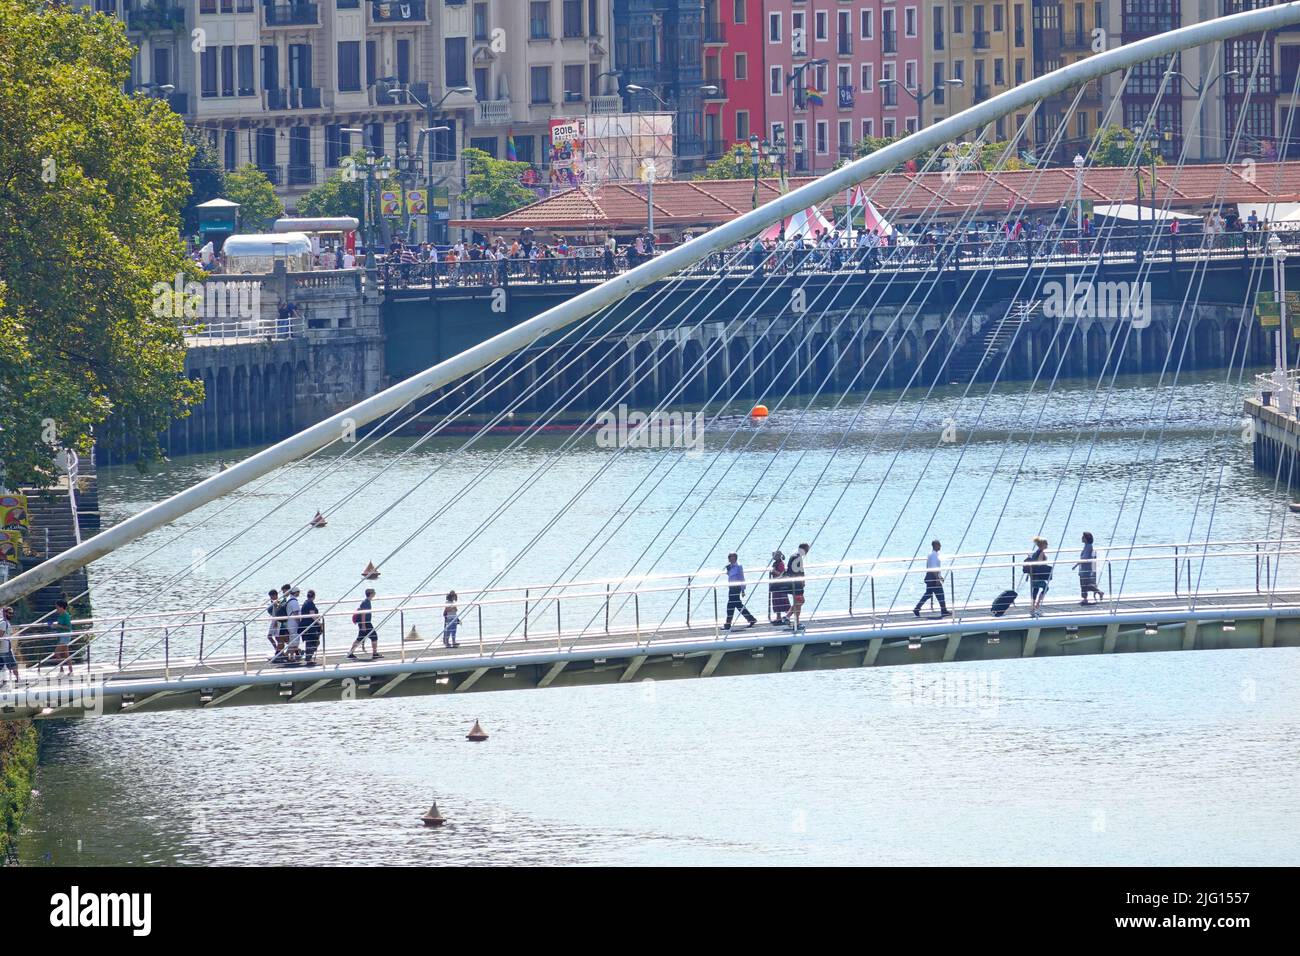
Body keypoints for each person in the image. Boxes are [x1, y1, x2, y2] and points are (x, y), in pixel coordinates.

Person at [913, 540, 950, 617]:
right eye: (939, 545)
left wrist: (940, 576)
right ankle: (943, 610)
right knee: (940, 594)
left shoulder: (931, 554)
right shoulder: (934, 555)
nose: (940, 546)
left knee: (928, 594)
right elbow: (933, 568)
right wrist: (937, 579)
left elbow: (932, 567)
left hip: (930, 576)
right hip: (933, 577)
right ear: (936, 545)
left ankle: (917, 608)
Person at [722, 553, 758, 630]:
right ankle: (751, 619)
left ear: (735, 558)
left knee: (730, 605)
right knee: (738, 605)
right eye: (729, 557)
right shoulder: (730, 567)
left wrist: (743, 589)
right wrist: (728, 570)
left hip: (737, 587)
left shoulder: (738, 566)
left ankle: (728, 624)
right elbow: (730, 576)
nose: (730, 559)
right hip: (731, 587)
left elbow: (742, 578)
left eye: (732, 557)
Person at [348, 588, 382, 660]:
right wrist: (363, 625)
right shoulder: (366, 602)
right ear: (371, 594)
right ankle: (374, 654)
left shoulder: (367, 601)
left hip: (366, 623)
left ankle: (350, 653)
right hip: (365, 623)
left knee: (361, 638)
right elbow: (363, 614)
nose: (375, 593)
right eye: (374, 592)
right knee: (373, 637)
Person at [1073, 532, 1105, 605]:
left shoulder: (1088, 547)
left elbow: (1085, 557)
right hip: (1083, 568)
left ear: (1086, 539)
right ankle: (1085, 599)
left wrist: (1076, 564)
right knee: (1083, 584)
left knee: (1086, 585)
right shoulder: (1086, 546)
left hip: (1086, 569)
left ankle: (1099, 592)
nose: (1082, 538)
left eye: (1083, 537)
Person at [1024, 536, 1052, 617]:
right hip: (1038, 575)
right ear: (1043, 545)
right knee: (1046, 588)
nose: (1047, 545)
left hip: (1033, 575)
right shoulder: (1041, 552)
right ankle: (1038, 605)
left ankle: (1032, 608)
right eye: (1046, 544)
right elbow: (1039, 563)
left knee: (1035, 591)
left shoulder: (1036, 552)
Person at [787, 543, 810, 631]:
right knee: (800, 601)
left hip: (792, 582)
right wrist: (802, 581)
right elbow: (800, 571)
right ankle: (791, 618)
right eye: (807, 550)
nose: (807, 552)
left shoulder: (793, 555)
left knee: (798, 602)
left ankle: (792, 619)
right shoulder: (798, 557)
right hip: (797, 584)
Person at [300, 589, 323, 664]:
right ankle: (308, 657)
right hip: (310, 626)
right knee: (314, 641)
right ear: (314, 596)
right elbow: (312, 615)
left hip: (306, 625)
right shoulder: (310, 604)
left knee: (310, 642)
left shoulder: (306, 603)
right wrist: (319, 623)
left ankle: (308, 657)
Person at [769, 550, 791, 624]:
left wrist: (774, 572)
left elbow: (782, 574)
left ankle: (788, 616)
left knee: (782, 601)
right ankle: (778, 618)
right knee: (776, 601)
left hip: (780, 585)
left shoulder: (781, 564)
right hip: (775, 584)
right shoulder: (775, 563)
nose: (773, 557)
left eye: (774, 555)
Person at [53, 598, 74, 675]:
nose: (56, 609)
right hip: (62, 635)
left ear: (61, 607)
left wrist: (59, 625)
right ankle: (70, 670)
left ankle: (62, 670)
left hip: (65, 636)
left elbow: (68, 627)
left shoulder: (66, 615)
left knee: (57, 653)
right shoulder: (61, 615)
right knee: (66, 653)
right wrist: (55, 626)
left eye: (57, 607)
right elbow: (60, 625)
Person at [0, 606, 18, 684]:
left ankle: (4, 680)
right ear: (4, 613)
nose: (11, 615)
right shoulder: (4, 623)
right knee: (13, 665)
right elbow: (0, 635)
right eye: (9, 613)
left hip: (5, 648)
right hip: (5, 649)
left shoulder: (5, 622)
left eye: (12, 613)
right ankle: (18, 680)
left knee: (2, 665)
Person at [265, 588, 282, 659]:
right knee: (271, 637)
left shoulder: (277, 602)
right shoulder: (274, 602)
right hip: (274, 621)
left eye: (272, 596)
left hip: (276, 621)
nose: (271, 598)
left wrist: (275, 622)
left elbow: (277, 613)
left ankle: (278, 652)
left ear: (275, 595)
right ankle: (278, 650)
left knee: (277, 638)